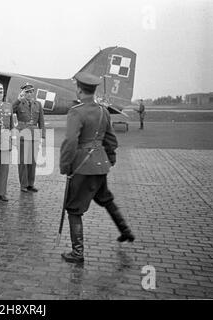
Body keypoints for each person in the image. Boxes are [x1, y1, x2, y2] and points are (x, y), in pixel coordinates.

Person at [59, 72, 135, 263]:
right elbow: (111, 140)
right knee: (106, 199)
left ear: (78, 89)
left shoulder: (76, 112)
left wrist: (65, 166)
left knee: (74, 209)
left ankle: (77, 252)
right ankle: (125, 231)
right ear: (93, 90)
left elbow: (70, 142)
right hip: (100, 166)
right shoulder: (103, 111)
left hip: (82, 167)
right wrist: (110, 158)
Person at [12, 83, 45, 192]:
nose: (29, 94)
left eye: (31, 92)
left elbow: (41, 121)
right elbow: (10, 110)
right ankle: (23, 185)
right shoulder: (19, 103)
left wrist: (42, 135)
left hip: (34, 134)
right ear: (23, 93)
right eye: (27, 92)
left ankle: (31, 184)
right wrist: (18, 99)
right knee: (23, 161)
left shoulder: (38, 104)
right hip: (22, 133)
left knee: (32, 161)